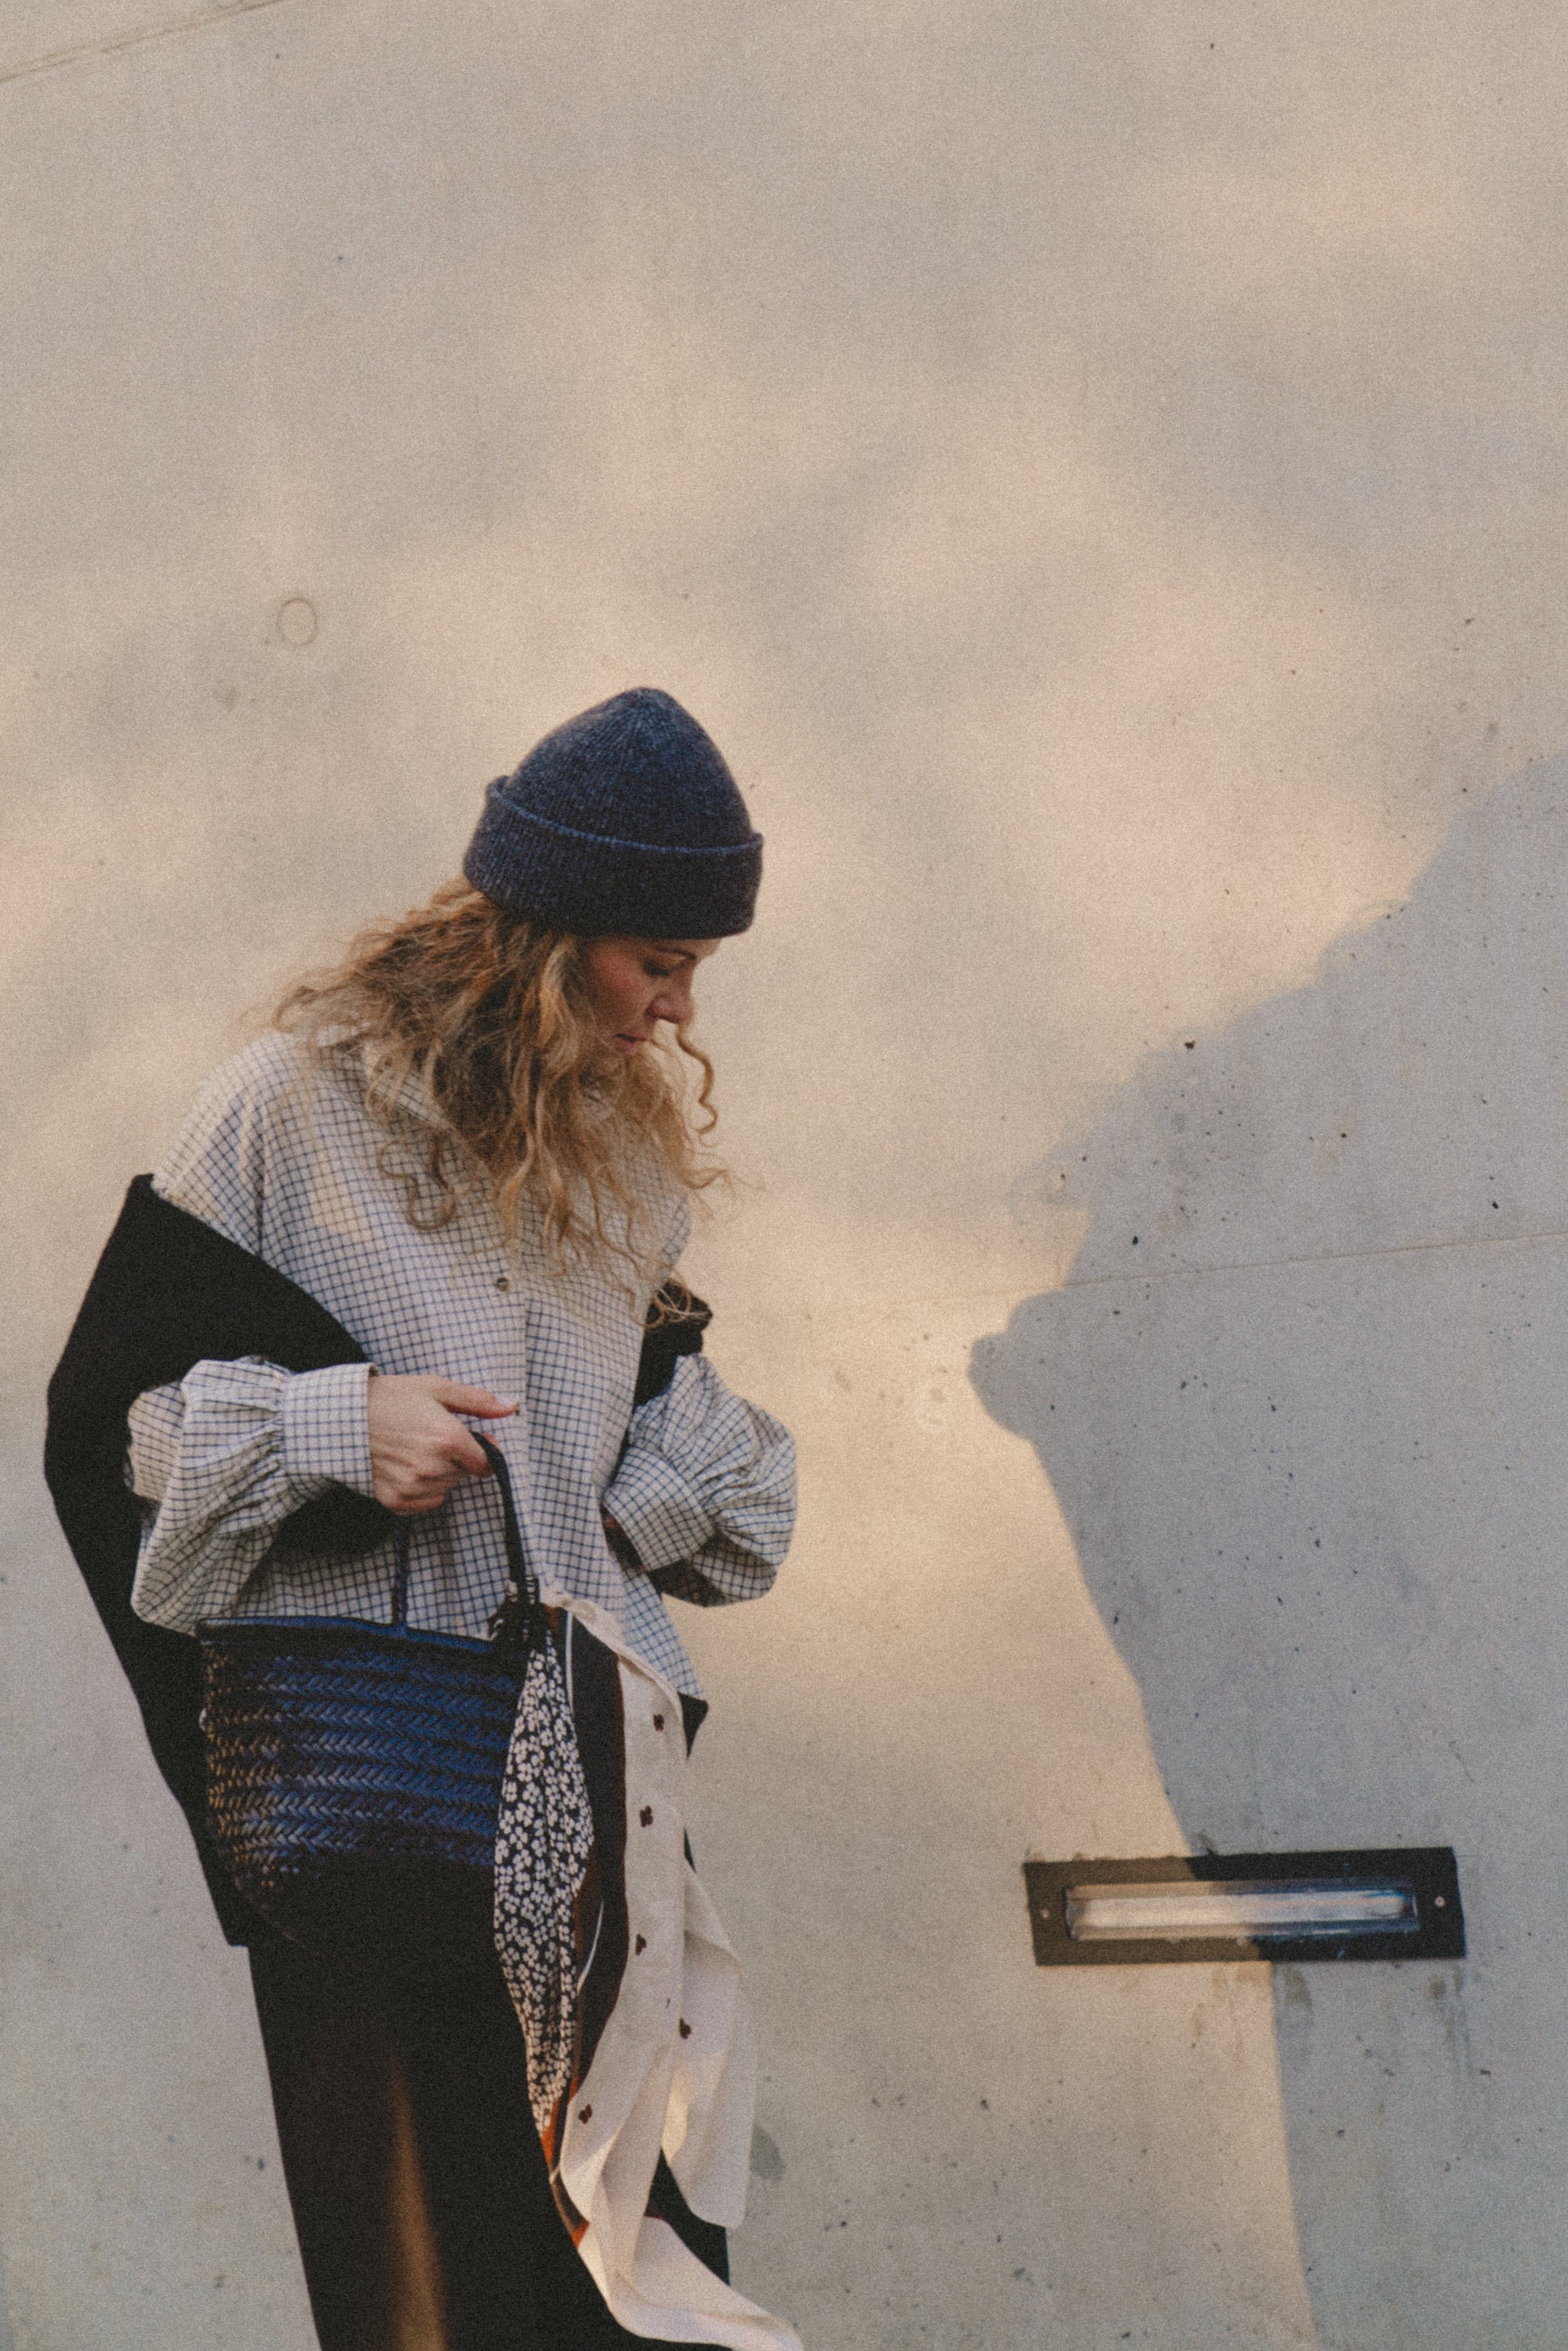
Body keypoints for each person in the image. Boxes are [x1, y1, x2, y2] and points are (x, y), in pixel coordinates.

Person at [47, 689, 801, 2351]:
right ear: (541, 935)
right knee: (432, 2299)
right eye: (655, 961)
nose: (677, 1013)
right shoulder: (279, 1116)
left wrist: (646, 1478)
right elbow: (113, 1430)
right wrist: (339, 1423)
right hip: (367, 1791)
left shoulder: (620, 1164)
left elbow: (702, 1462)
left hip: (593, 1814)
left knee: (635, 2287)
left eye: (694, 973)